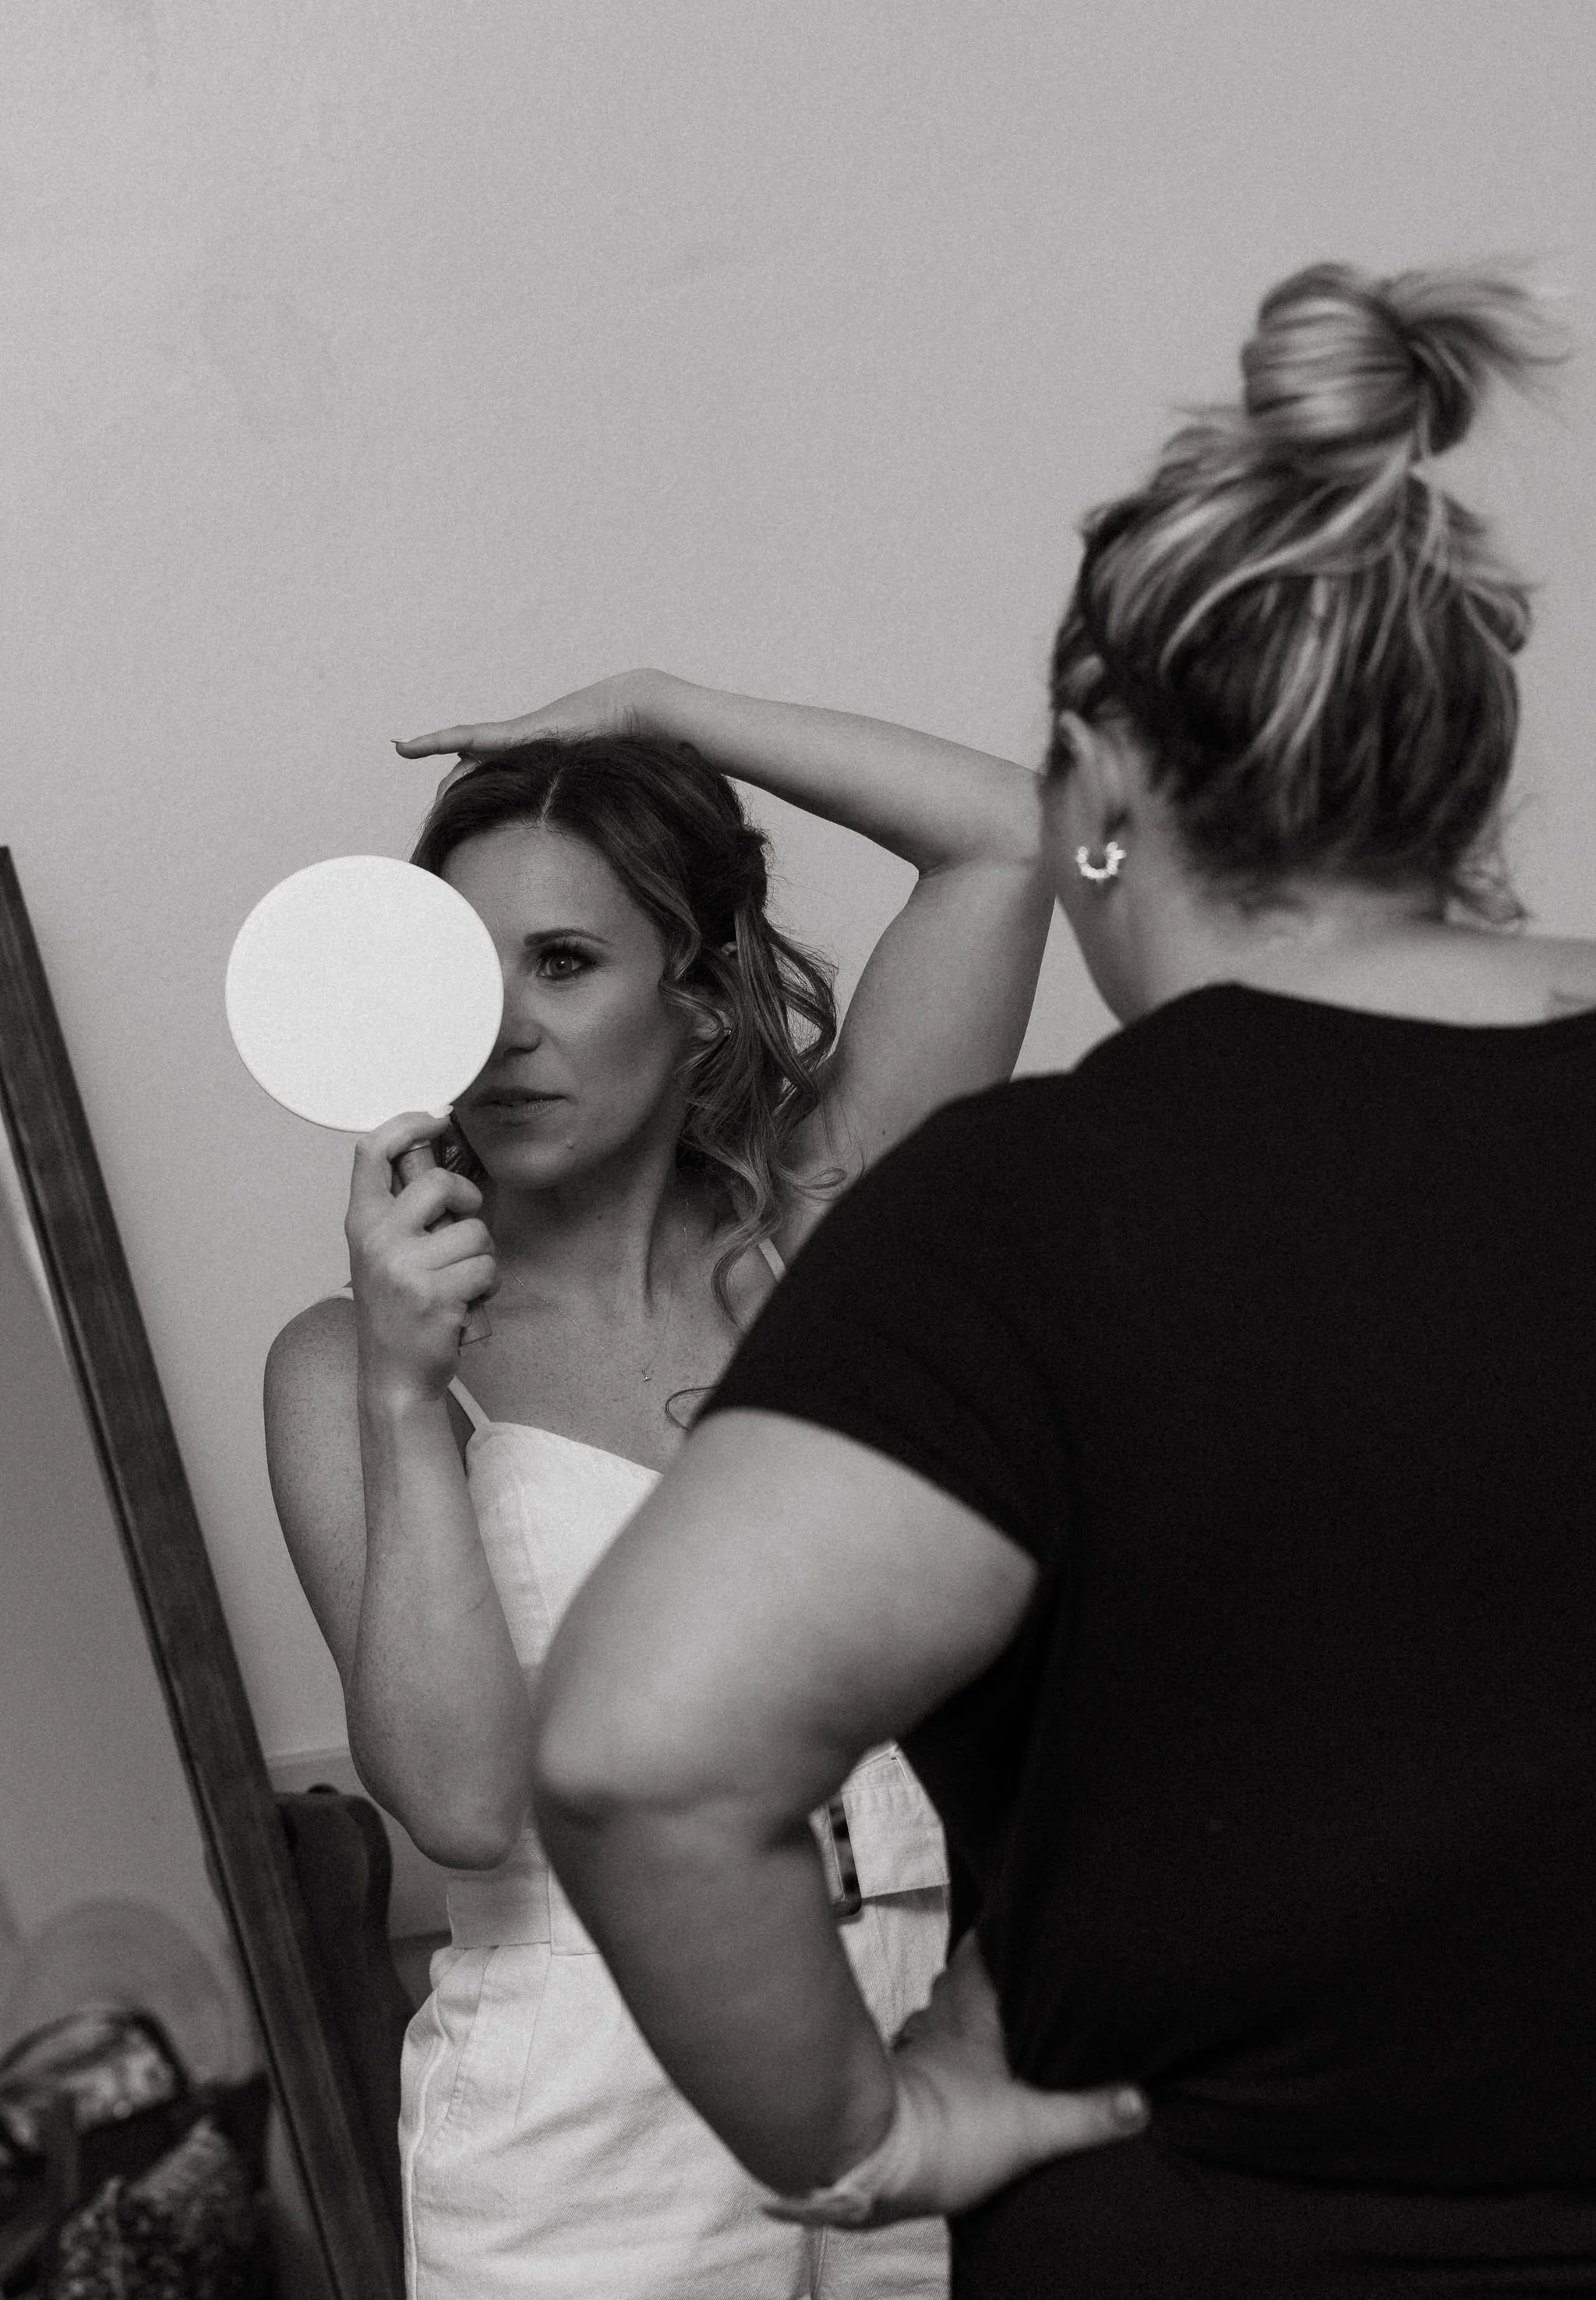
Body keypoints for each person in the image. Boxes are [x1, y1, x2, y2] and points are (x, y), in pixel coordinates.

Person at [523, 262, 1596, 2297]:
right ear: (1460, 764)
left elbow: (638, 1751)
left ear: (1098, 795)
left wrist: (863, 2123)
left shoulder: (1030, 1208)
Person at [264, 685, 1067, 2297]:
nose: (500, 1027)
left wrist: (654, 706)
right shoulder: (348, 1354)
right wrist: (412, 1390)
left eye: (563, 961)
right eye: (461, 972)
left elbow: (1008, 837)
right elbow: (464, 1803)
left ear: (697, 998)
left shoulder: (813, 1239)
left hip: (896, 2048)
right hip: (578, 2125)